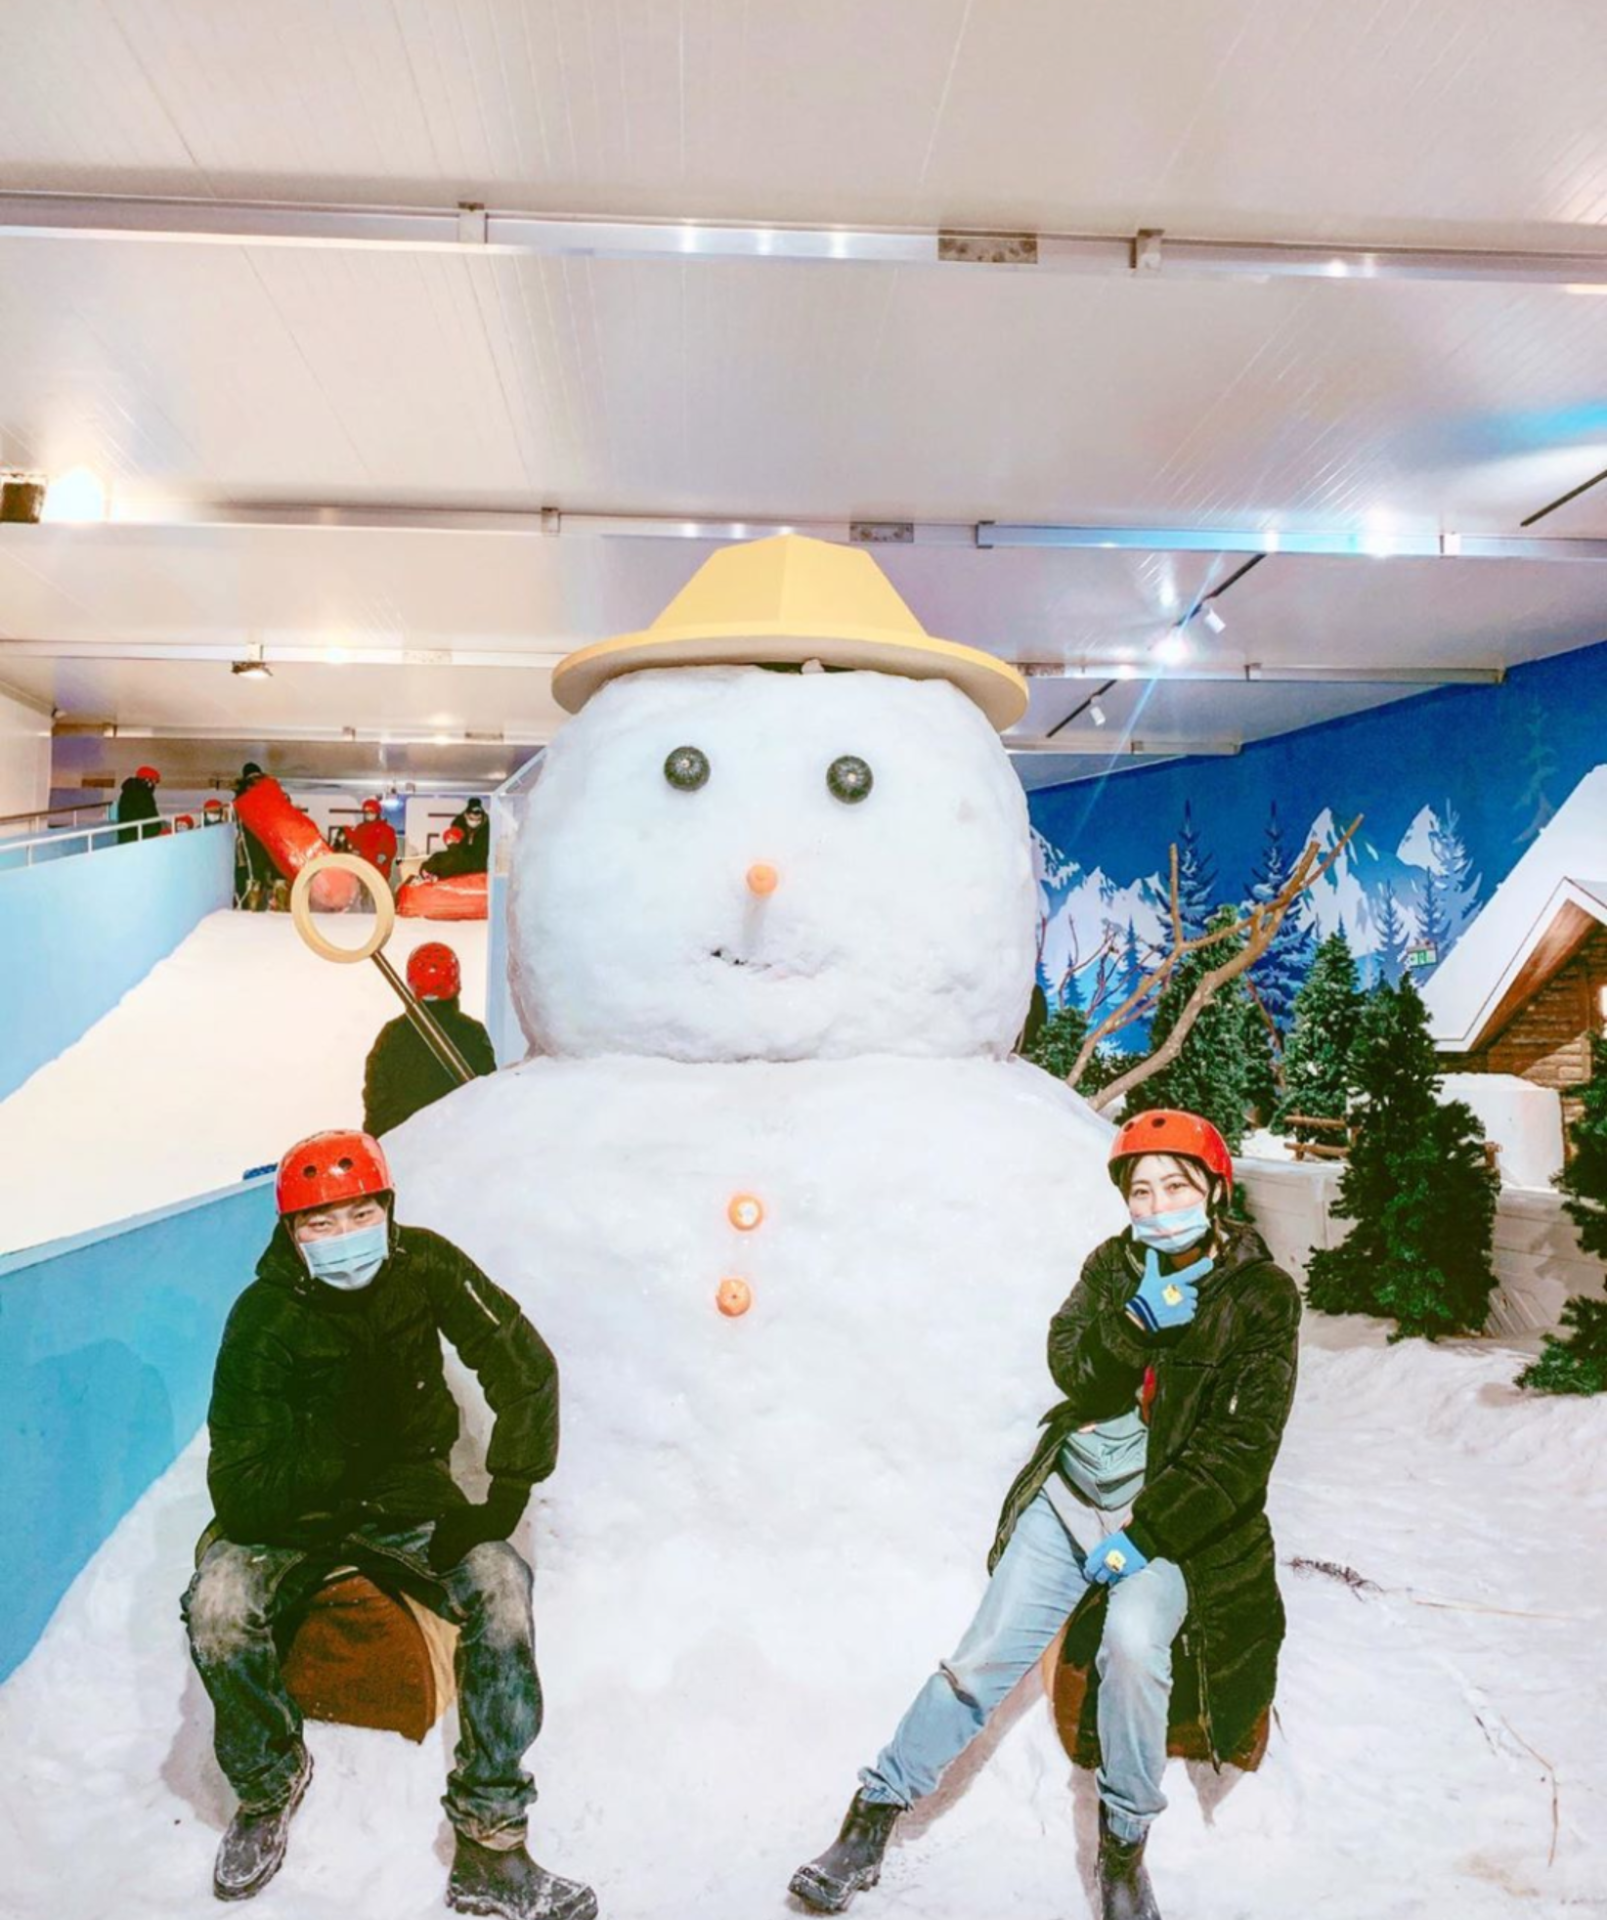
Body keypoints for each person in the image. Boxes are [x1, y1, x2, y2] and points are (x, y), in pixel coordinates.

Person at [789, 1109, 1301, 1920]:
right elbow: (1070, 1367)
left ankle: (1123, 1846)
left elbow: (1243, 1446)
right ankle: (874, 1813)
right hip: (1072, 1498)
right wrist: (1132, 1325)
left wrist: (1147, 1536)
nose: (1157, 1202)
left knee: (1134, 1652)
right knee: (982, 1658)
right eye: (1140, 1189)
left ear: (1212, 1190)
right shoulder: (1112, 1266)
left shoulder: (1259, 1296)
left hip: (1167, 1523)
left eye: (1175, 1184)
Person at [180, 1129, 595, 1920]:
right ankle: (269, 1785)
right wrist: (339, 1451)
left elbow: (521, 1360)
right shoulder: (262, 1318)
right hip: (290, 1511)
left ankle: (489, 1841)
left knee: (502, 1586)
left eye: (360, 1211)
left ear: (389, 1211)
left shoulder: (425, 1266)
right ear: (291, 1236)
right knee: (219, 1608)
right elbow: (238, 1491)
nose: (343, 1238)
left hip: (406, 1497)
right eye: (319, 1225)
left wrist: (505, 1493)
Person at [364, 942, 496, 1136]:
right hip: (459, 1147)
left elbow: (376, 1106)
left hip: (403, 1149)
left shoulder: (391, 1036)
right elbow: (486, 1100)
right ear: (456, 982)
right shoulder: (473, 1034)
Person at [233, 763, 275, 911]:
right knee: (256, 872)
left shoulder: (243, 794)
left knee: (253, 873)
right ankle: (254, 907)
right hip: (258, 839)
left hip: (254, 839)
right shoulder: (264, 792)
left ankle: (252, 907)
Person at [348, 796, 399, 883]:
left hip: (379, 872)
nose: (368, 814)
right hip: (361, 870)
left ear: (377, 813)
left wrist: (382, 857)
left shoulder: (387, 830)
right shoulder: (360, 828)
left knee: (375, 895)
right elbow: (354, 846)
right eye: (366, 812)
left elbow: (391, 850)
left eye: (371, 812)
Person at [115, 764, 161, 844]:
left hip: (127, 837)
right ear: (147, 781)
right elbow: (149, 816)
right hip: (139, 838)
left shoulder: (129, 791)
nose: (154, 785)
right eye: (153, 781)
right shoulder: (143, 795)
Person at [447, 798, 490, 874]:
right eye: (471, 818)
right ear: (466, 815)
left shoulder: (486, 825)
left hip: (479, 861)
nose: (475, 821)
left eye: (478, 819)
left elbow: (484, 850)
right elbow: (454, 847)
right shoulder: (457, 823)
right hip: (460, 860)